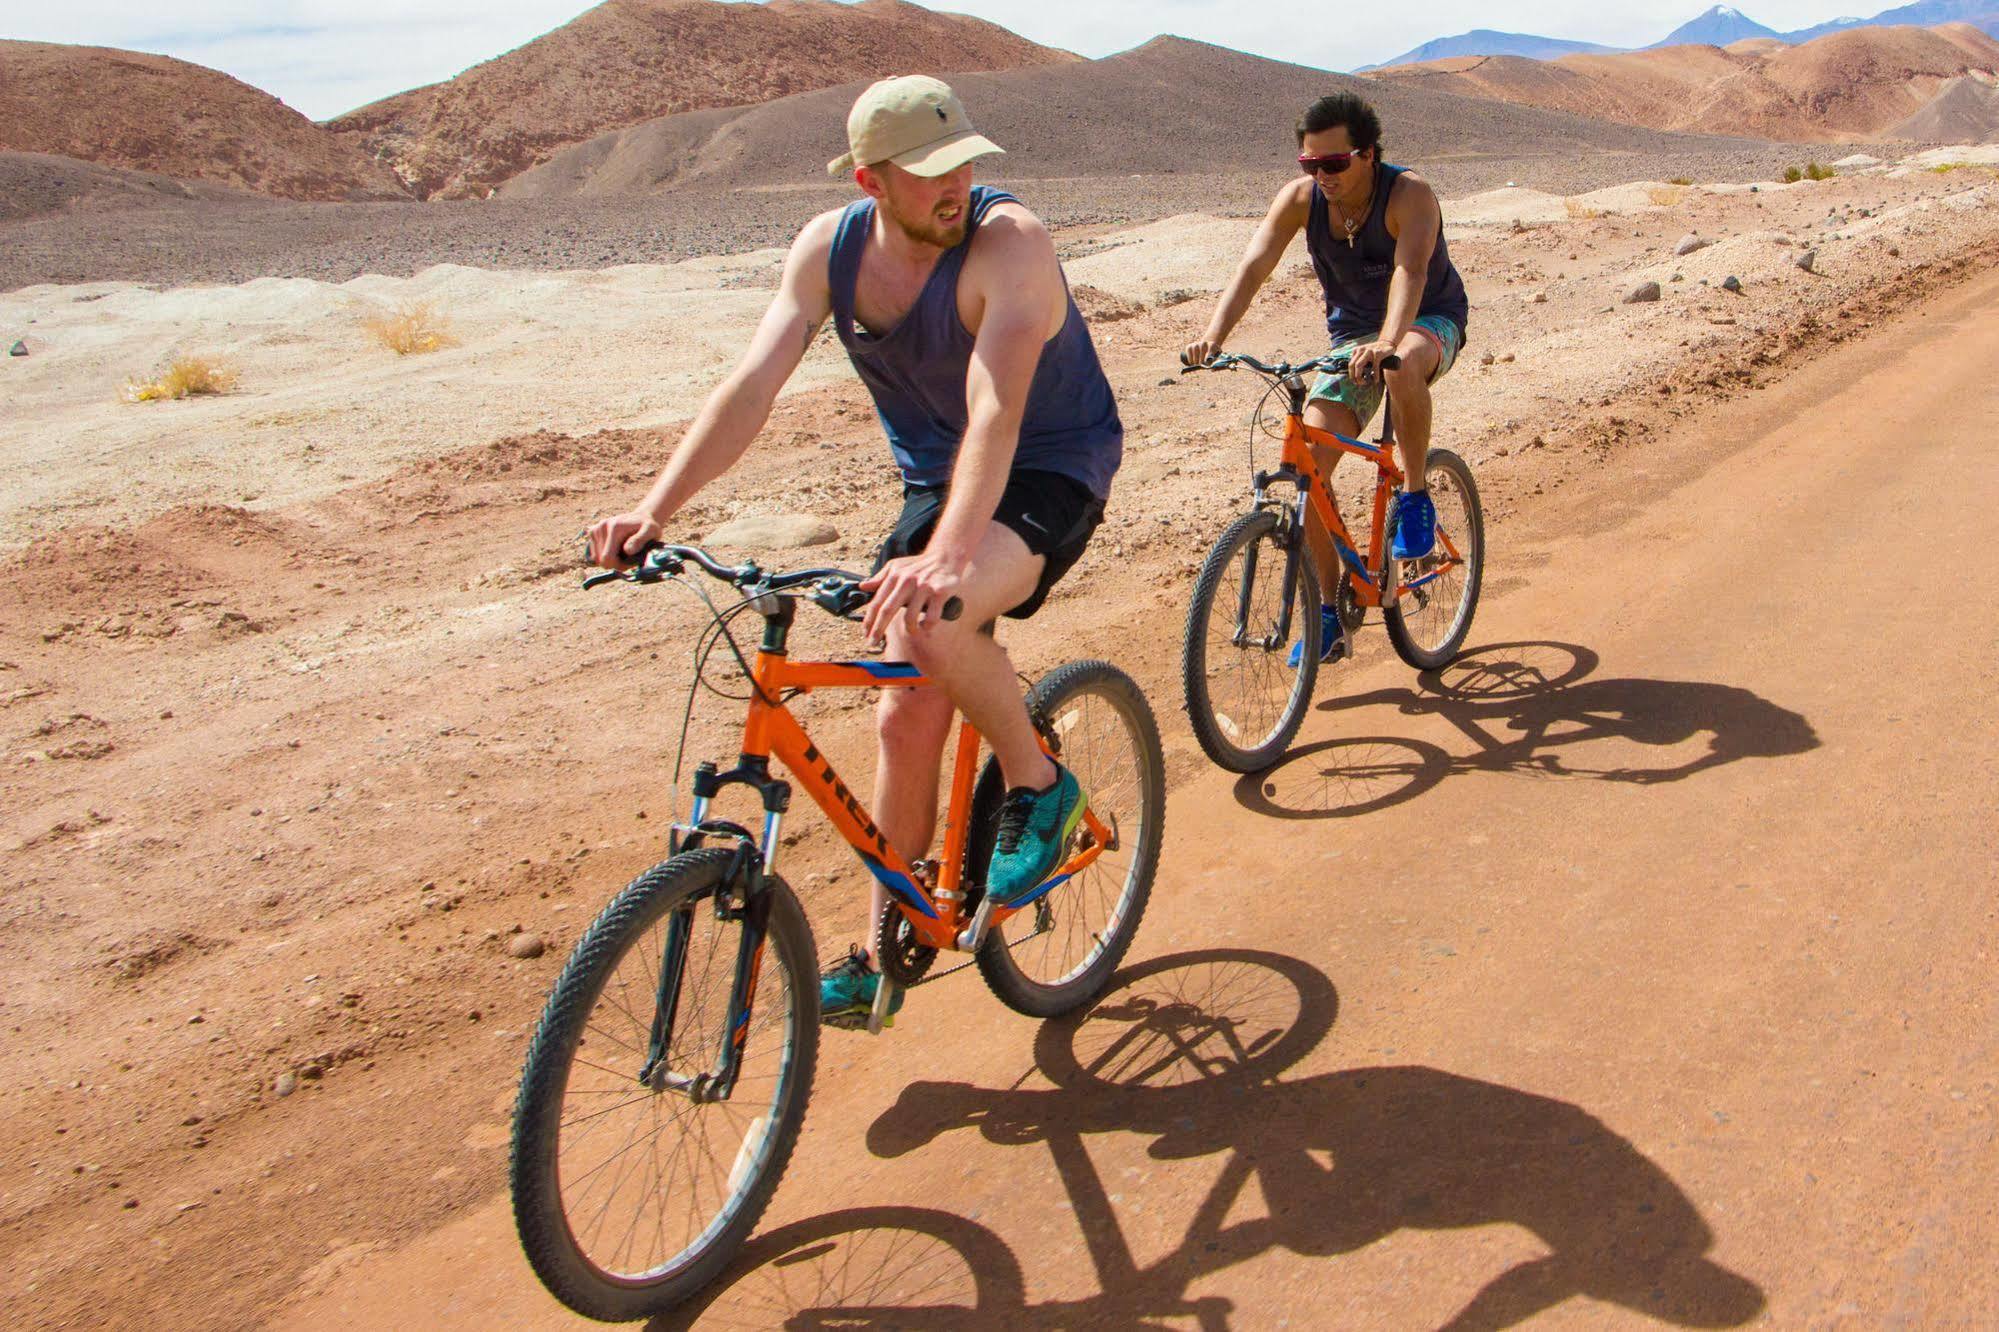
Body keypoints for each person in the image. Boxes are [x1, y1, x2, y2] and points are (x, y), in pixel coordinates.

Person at [586, 76, 1123, 1026]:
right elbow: (751, 384)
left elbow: (997, 411)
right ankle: (888, 945)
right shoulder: (828, 253)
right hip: (938, 482)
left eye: (963, 162)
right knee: (897, 716)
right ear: (872, 181)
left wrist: (948, 560)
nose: (953, 185)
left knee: (939, 615)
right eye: (927, 173)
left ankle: (1040, 785)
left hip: (1049, 465)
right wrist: (653, 510)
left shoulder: (1011, 245)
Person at [1182, 91, 1468, 666]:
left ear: (1367, 154)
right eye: (1310, 165)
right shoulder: (1301, 201)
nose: (1323, 176)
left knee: (1403, 362)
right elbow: (1255, 264)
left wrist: (1388, 341)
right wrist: (1214, 336)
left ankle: (1414, 499)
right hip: (1352, 338)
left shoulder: (1409, 194)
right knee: (1309, 465)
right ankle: (1331, 616)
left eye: (1334, 164)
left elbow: (1410, 272)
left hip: (1426, 318)